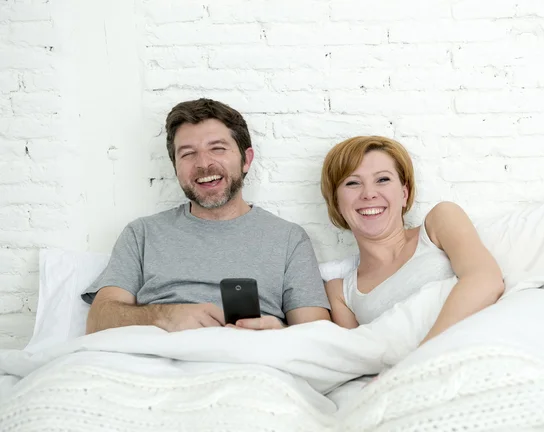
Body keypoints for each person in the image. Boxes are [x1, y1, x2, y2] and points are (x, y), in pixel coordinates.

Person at [83, 98, 330, 334]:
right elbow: (98, 320)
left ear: (246, 160)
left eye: (218, 149)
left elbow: (317, 336)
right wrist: (163, 316)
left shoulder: (288, 239)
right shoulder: (142, 234)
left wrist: (280, 332)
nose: (203, 164)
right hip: (153, 358)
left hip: (250, 361)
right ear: (175, 166)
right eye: (188, 153)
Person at [320, 136, 504, 345]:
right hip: (407, 375)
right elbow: (357, 361)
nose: (369, 194)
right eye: (353, 183)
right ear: (336, 202)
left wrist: (424, 355)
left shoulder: (439, 222)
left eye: (382, 179)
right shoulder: (341, 293)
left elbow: (487, 280)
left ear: (404, 194)